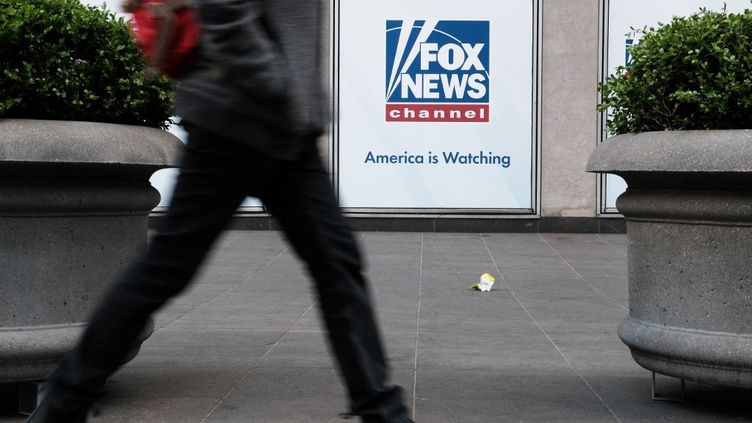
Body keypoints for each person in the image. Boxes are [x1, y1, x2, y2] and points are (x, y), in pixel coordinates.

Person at [26, 0, 413, 422]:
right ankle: (62, 401)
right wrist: (273, 81)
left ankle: (382, 410)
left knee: (338, 266)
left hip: (286, 128)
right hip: (237, 117)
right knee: (167, 269)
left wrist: (299, 102)